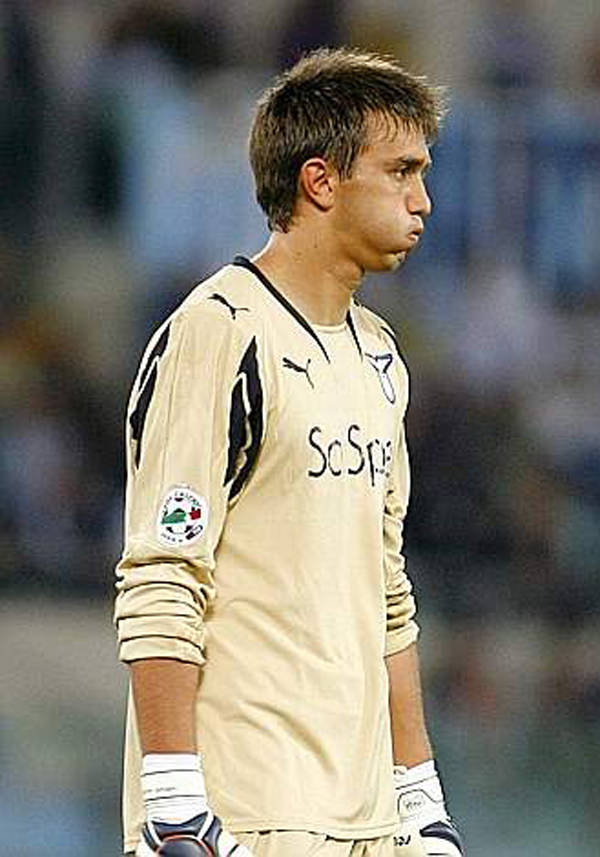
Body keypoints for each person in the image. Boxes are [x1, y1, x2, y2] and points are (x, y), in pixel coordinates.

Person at [114, 46, 465, 857]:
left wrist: (420, 801)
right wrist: (174, 802)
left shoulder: (380, 356)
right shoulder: (219, 333)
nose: (423, 200)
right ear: (320, 182)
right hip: (247, 811)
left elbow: (387, 593)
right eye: (401, 172)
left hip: (369, 817)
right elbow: (163, 572)